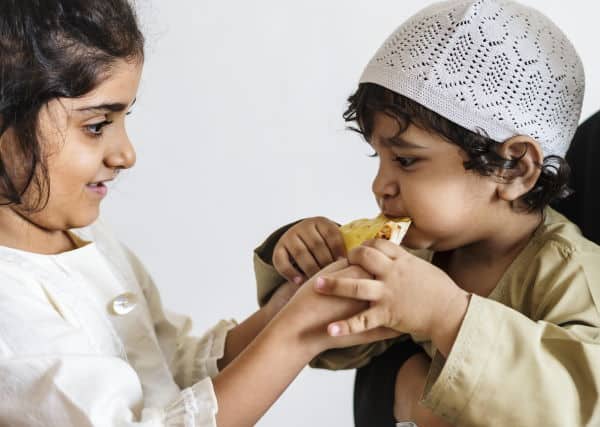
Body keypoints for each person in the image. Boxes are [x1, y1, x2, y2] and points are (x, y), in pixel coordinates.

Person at [0, 1, 398, 426]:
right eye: (97, 125)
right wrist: (298, 334)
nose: (126, 154)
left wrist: (287, 308)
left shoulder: (91, 237)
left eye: (123, 119)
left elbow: (172, 373)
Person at [253, 0, 600, 425]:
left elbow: (583, 405)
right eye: (378, 158)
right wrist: (307, 264)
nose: (380, 186)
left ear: (514, 167)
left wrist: (448, 315)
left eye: (406, 161)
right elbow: (336, 345)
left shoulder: (572, 275)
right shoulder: (419, 251)